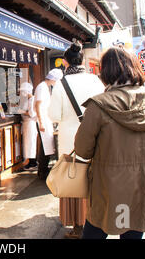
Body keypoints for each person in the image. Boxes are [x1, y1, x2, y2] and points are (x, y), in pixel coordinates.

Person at [74, 47, 145, 239]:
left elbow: (82, 150)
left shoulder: (98, 105)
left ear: (106, 72)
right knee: (132, 230)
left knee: (95, 229)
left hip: (108, 187)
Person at [48, 42, 104, 239]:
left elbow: (54, 115)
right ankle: (95, 221)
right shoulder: (96, 81)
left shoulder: (61, 85)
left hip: (70, 141)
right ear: (82, 60)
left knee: (72, 180)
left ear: (65, 62)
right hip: (96, 139)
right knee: (93, 181)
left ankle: (77, 226)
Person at [34, 68, 63, 178]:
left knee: (46, 145)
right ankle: (42, 171)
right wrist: (41, 122)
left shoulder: (45, 87)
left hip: (46, 119)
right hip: (42, 120)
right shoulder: (42, 87)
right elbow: (38, 105)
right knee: (44, 146)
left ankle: (43, 169)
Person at [17, 82, 38, 170]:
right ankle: (30, 161)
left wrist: (21, 111)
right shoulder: (28, 100)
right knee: (28, 144)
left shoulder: (32, 99)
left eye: (23, 92)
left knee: (30, 143)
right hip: (26, 123)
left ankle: (32, 163)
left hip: (30, 123)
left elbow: (32, 113)